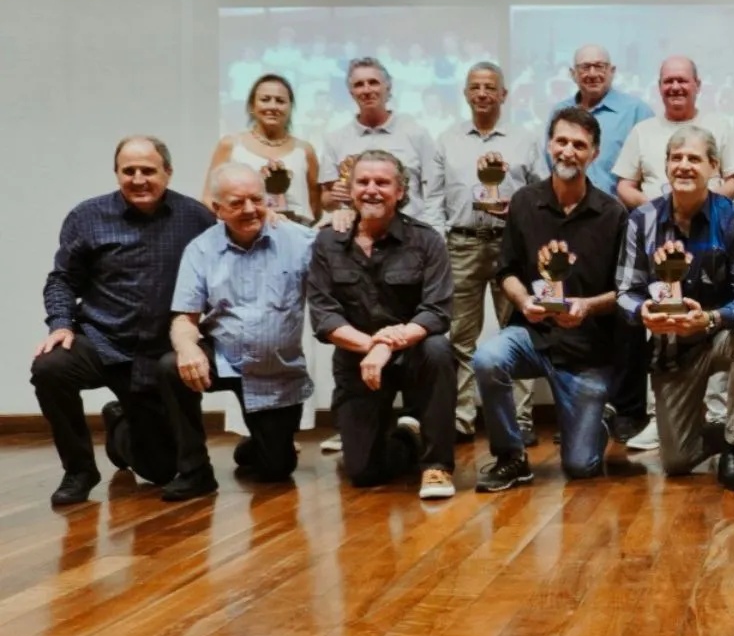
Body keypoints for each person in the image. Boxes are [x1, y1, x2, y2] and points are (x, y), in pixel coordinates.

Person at [34, 137, 217, 506]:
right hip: (102, 341)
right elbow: (62, 279)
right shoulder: (87, 216)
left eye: (148, 170)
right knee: (50, 368)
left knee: (160, 470)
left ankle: (119, 423)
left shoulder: (196, 218)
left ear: (168, 172)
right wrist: (61, 325)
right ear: (117, 173)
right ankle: (79, 470)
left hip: (158, 352)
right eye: (128, 171)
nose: (138, 179)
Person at [472, 107, 626, 489]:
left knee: (580, 467)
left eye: (579, 144)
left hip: (586, 348)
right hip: (533, 334)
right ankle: (510, 458)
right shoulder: (523, 202)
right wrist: (524, 302)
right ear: (548, 145)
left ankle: (599, 421)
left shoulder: (614, 213)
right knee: (487, 358)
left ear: (594, 153)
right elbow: (506, 271)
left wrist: (588, 306)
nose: (568, 151)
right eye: (561, 141)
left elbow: (625, 291)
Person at [615, 125, 734, 491]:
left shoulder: (733, 218)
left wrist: (712, 319)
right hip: (672, 349)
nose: (684, 166)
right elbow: (625, 291)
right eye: (676, 158)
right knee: (677, 461)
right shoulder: (642, 220)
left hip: (718, 335)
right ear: (666, 166)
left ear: (714, 167)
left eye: (694, 159)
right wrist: (643, 313)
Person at [306, 151, 458, 500]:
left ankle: (436, 466)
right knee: (362, 473)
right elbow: (325, 317)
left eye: (382, 182)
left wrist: (388, 345)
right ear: (350, 188)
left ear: (400, 191)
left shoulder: (427, 240)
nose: (372, 190)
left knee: (438, 348)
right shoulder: (327, 242)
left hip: (414, 356)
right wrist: (372, 346)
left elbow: (436, 311)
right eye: (363, 182)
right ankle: (407, 437)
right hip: (358, 362)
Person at [165, 163, 318, 498]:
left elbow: (344, 254)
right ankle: (194, 470)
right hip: (222, 358)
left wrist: (343, 218)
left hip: (274, 371)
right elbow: (184, 319)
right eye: (237, 203)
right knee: (170, 367)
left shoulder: (300, 241)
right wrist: (188, 348)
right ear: (217, 209)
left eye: (256, 199)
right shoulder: (200, 250)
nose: (250, 209)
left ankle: (258, 442)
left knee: (275, 470)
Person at [431, 62, 542, 443]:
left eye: (490, 87)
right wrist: (436, 246)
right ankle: (462, 417)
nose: (482, 94)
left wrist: (516, 212)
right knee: (460, 336)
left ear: (503, 95)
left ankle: (521, 420)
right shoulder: (446, 140)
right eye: (475, 87)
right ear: (465, 93)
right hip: (460, 244)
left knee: (518, 331)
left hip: (509, 246)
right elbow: (433, 199)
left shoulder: (523, 140)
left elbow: (539, 195)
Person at [318, 57, 443, 228]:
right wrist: (334, 197)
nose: (367, 90)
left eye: (373, 82)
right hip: (355, 239)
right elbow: (326, 200)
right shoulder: (335, 140)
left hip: (408, 237)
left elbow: (434, 194)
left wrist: (433, 235)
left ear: (388, 87)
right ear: (351, 93)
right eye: (359, 84)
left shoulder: (416, 134)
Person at [613, 56, 734, 207]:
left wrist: (703, 207)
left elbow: (733, 181)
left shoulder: (720, 126)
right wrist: (658, 210)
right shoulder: (641, 131)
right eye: (668, 81)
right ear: (659, 87)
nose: (675, 87)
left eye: (682, 81)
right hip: (656, 225)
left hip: (711, 222)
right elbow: (624, 186)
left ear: (697, 85)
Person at [204, 73, 323, 225]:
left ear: (290, 107)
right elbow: (209, 199)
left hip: (296, 239)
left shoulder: (305, 150)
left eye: (280, 101)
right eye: (265, 100)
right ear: (252, 106)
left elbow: (315, 205)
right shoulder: (231, 145)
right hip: (243, 238)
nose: (273, 106)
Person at [551, 43, 653, 195]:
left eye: (599, 66)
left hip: (618, 214)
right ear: (573, 74)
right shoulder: (559, 112)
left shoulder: (637, 111)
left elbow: (651, 170)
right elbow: (549, 165)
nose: (592, 74)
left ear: (612, 71)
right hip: (564, 212)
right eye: (585, 67)